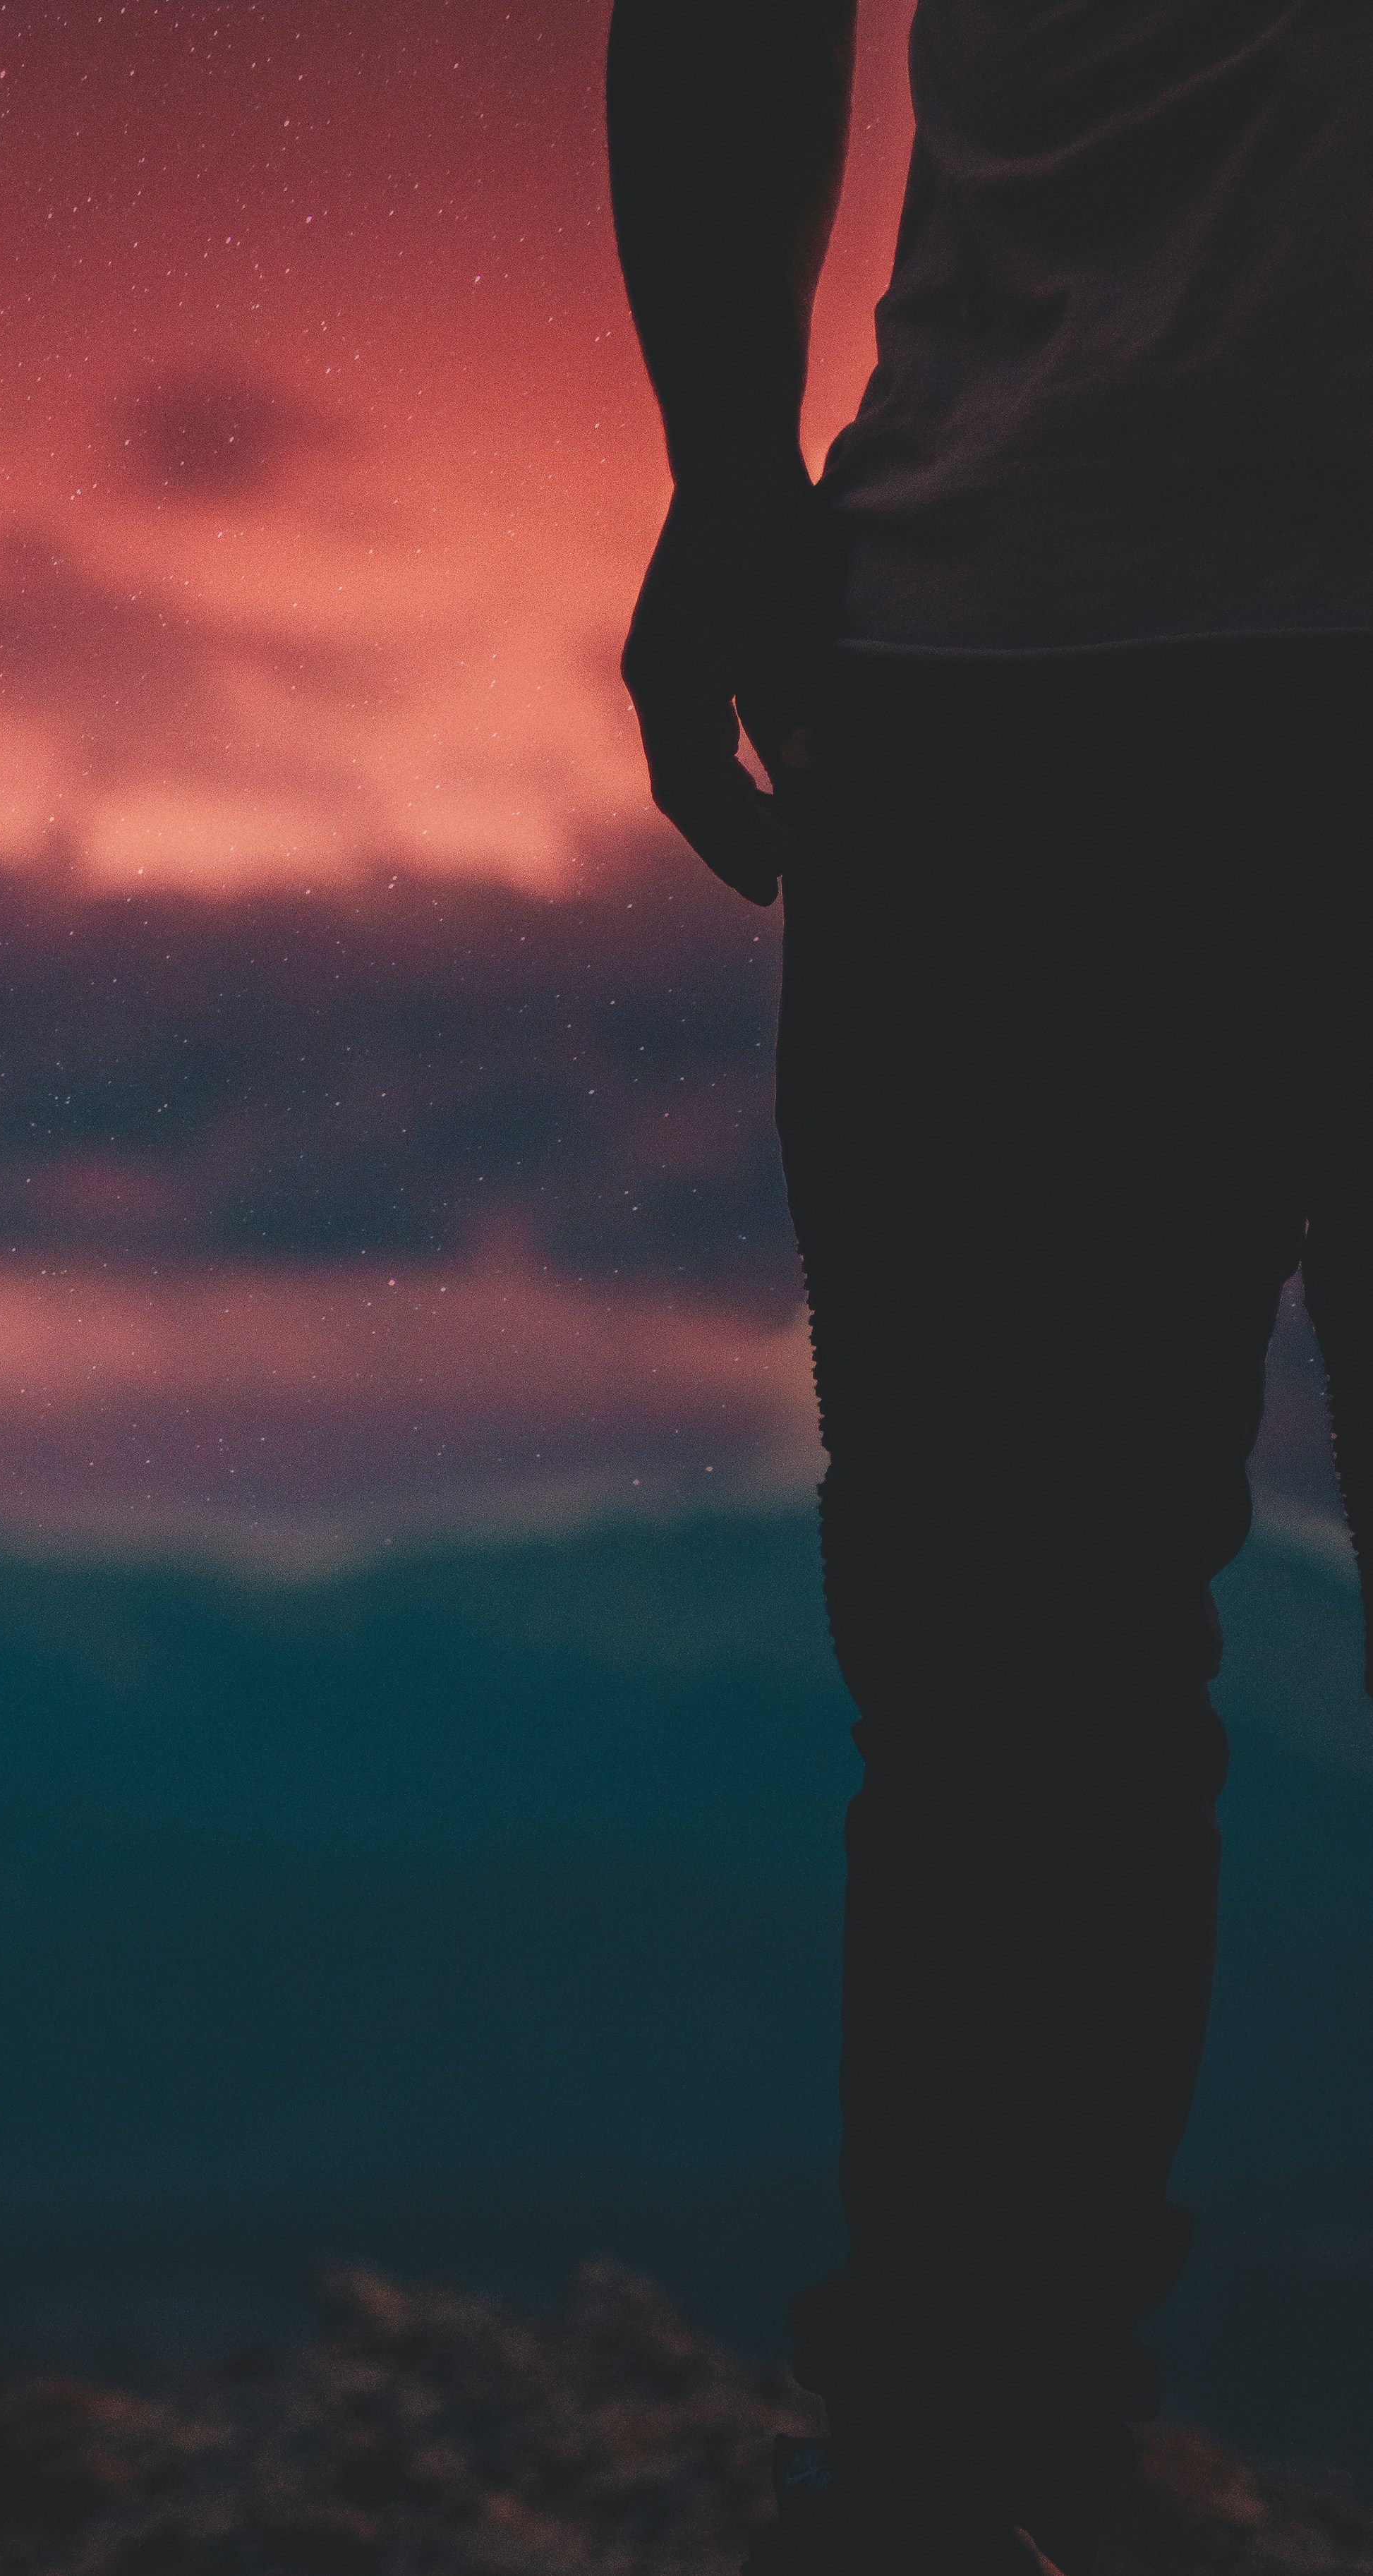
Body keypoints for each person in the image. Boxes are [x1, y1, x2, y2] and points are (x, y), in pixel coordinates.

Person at [606, 1, 1373, 2568]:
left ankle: (966, 2482)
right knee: (1006, 1704)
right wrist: (724, 477)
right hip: (1006, 660)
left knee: (1012, 1714)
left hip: (1010, 667)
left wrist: (730, 474)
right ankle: (962, 2476)